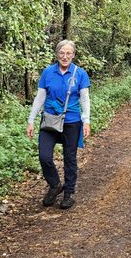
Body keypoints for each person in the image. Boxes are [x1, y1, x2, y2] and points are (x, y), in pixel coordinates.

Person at [27, 40, 91, 209]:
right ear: (57, 54)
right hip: (49, 120)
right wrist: (31, 120)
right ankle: (55, 185)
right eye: (62, 53)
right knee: (44, 156)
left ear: (73, 55)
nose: (65, 56)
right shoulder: (48, 72)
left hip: (71, 121)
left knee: (69, 158)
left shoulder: (80, 74)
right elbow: (40, 97)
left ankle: (69, 193)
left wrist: (86, 121)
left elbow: (84, 99)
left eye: (68, 53)